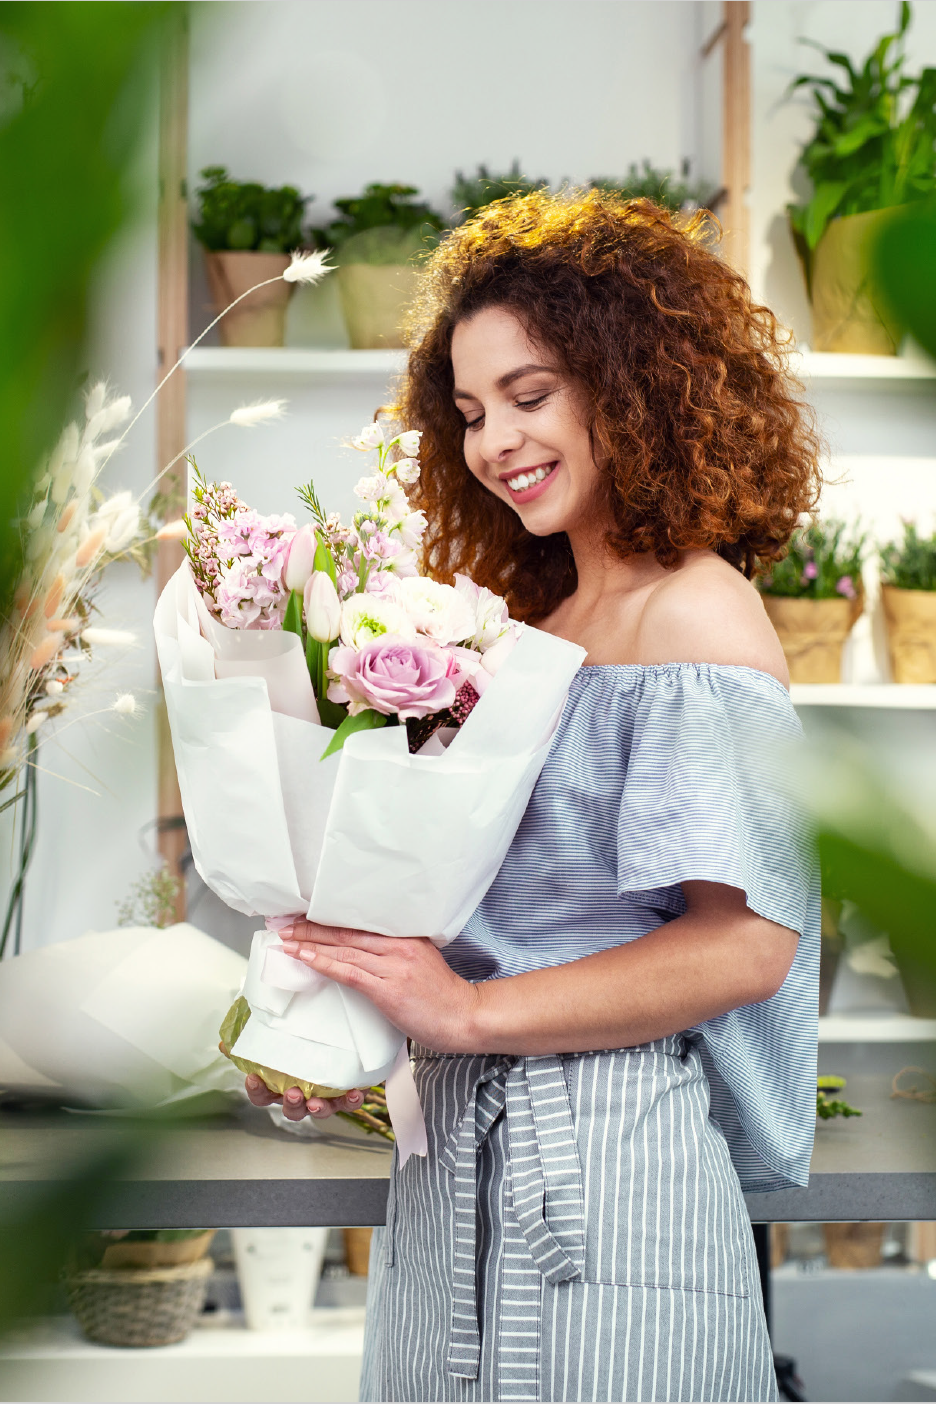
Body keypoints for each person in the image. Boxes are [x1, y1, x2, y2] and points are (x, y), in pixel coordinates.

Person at [246, 191, 823, 1403]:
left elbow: (745, 948)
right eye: (466, 414)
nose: (494, 441)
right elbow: (468, 915)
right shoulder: (526, 628)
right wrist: (330, 1022)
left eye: (530, 393)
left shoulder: (696, 613)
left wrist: (462, 1014)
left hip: (613, 1170)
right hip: (455, 1162)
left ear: (635, 383)